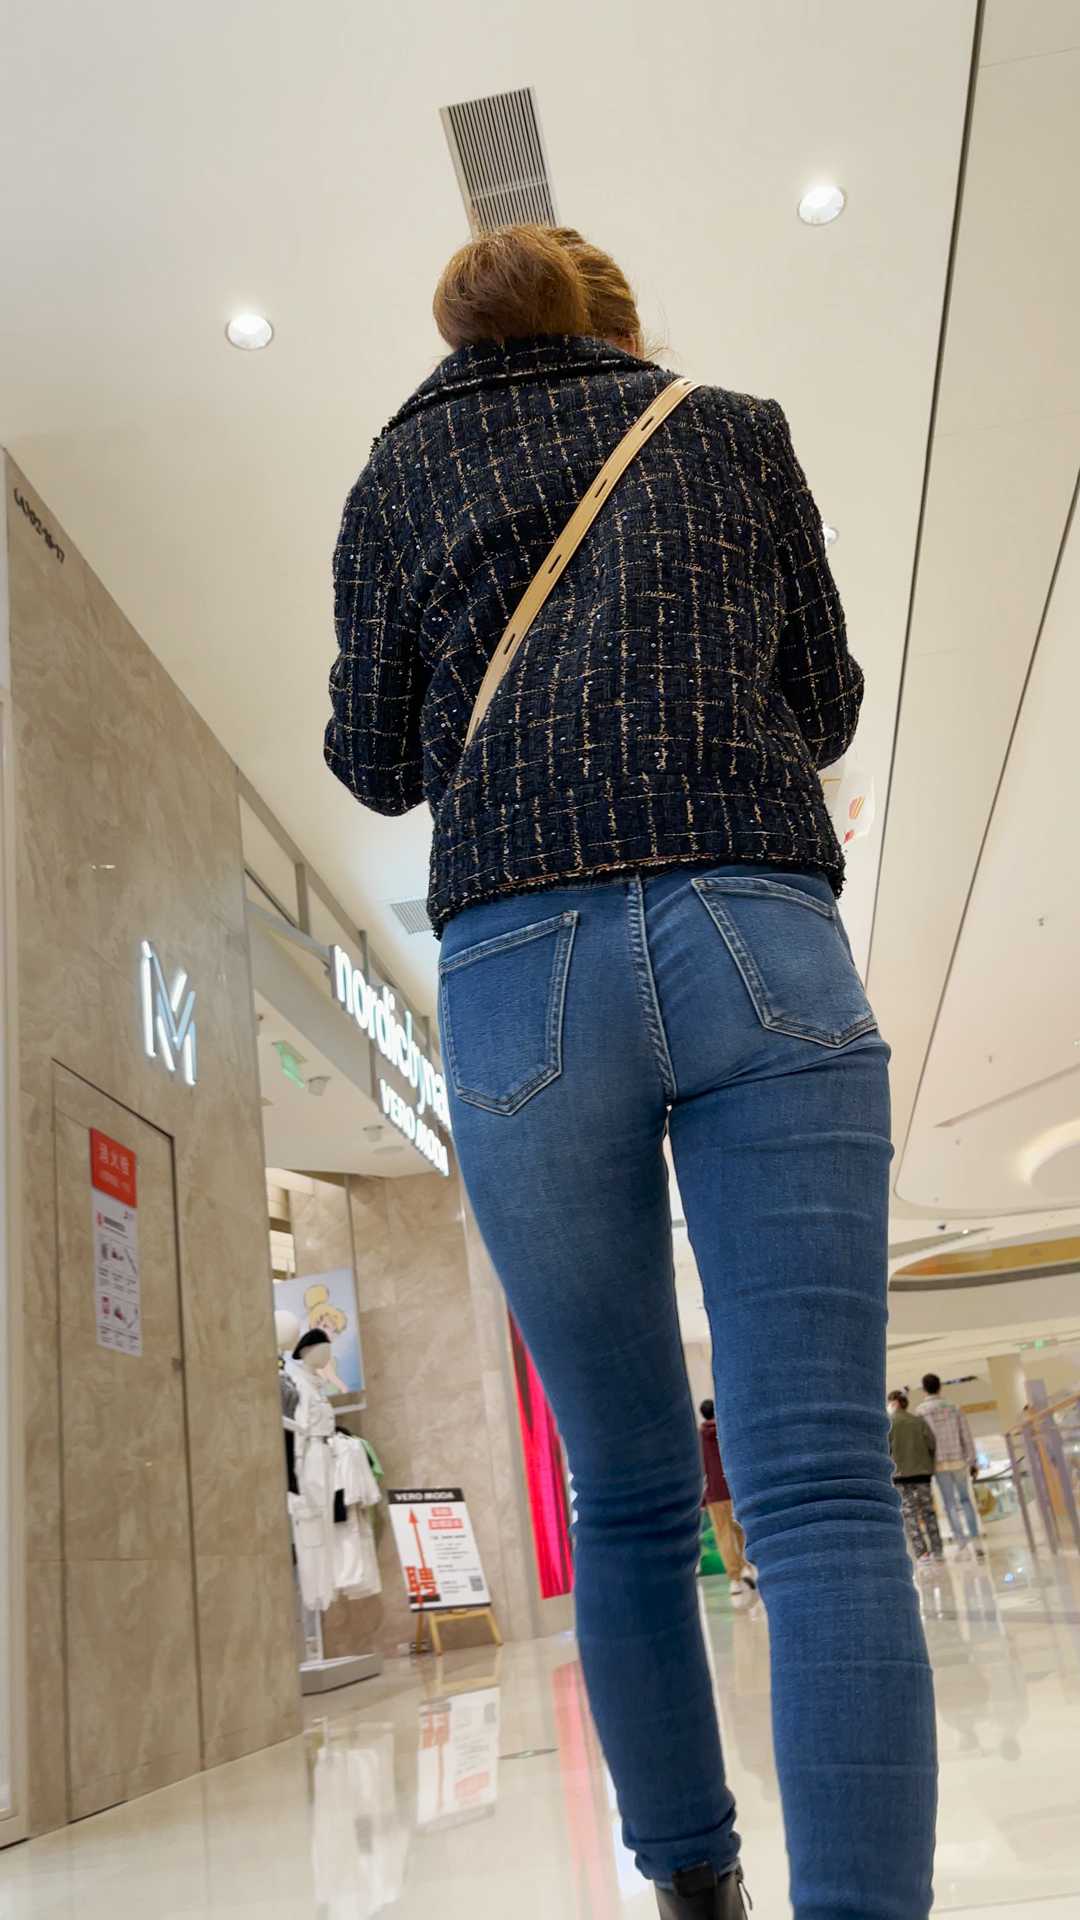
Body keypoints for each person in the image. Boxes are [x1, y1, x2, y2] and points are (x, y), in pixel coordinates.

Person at [325, 222, 936, 1920]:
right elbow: (824, 704)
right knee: (821, 1490)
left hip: (522, 974)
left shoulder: (397, 471)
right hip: (757, 930)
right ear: (620, 322)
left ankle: (691, 1888)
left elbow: (372, 760)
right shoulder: (730, 430)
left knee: (628, 1494)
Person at [699, 1399, 756, 1605]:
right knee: (741, 1529)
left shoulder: (700, 1438)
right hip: (734, 1489)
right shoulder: (727, 1429)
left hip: (714, 1494)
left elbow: (701, 1468)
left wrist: (702, 1499)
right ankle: (748, 1567)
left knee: (723, 1535)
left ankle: (735, 1579)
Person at [917, 1373, 983, 1554]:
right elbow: (966, 1435)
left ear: (924, 1389)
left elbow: (922, 1441)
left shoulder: (921, 1412)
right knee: (965, 1499)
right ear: (940, 1387)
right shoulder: (954, 1407)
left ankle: (961, 1541)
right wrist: (972, 1460)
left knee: (949, 1503)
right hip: (958, 1460)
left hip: (938, 1463)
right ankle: (975, 1537)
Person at [888, 1391, 943, 1564]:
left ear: (895, 1403)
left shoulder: (889, 1424)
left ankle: (922, 1553)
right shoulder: (919, 1421)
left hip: (900, 1476)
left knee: (909, 1514)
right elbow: (932, 1444)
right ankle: (938, 1550)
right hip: (922, 1474)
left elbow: (886, 1449)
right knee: (928, 1512)